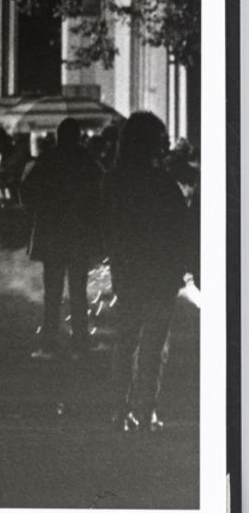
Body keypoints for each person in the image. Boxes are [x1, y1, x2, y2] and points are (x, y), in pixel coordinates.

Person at [100, 111, 192, 433]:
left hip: (128, 268)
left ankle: (118, 409)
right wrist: (188, 267)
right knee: (154, 343)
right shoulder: (163, 184)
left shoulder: (113, 180)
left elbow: (104, 226)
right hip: (161, 271)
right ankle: (146, 411)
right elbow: (182, 228)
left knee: (126, 339)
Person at [18, 117, 102, 360]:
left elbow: (27, 190)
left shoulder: (47, 160)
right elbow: (101, 192)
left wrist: (37, 212)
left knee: (52, 293)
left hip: (53, 233)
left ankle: (49, 343)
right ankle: (80, 342)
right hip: (79, 234)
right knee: (79, 290)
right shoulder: (87, 161)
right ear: (77, 136)